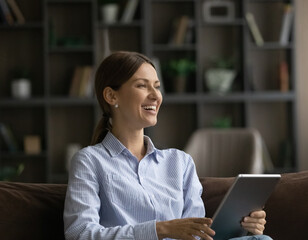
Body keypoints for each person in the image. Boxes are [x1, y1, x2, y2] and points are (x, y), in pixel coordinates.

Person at [63, 51, 272, 240]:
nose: (155, 96)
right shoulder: (89, 161)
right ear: (111, 96)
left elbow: (196, 234)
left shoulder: (180, 162)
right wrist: (159, 230)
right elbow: (79, 234)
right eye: (142, 85)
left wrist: (244, 229)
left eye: (156, 86)